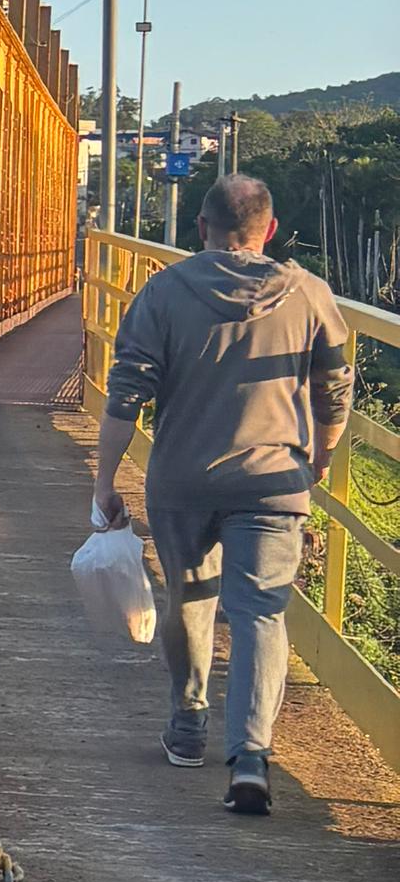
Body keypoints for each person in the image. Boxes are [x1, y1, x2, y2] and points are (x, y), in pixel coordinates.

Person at [93, 171, 353, 815]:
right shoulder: (310, 293)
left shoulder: (163, 290)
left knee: (188, 597)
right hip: (274, 483)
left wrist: (104, 480)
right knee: (259, 612)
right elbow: (337, 387)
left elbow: (127, 391)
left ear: (201, 229)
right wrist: (320, 456)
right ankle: (252, 759)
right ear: (269, 230)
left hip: (183, 479)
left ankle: (187, 721)